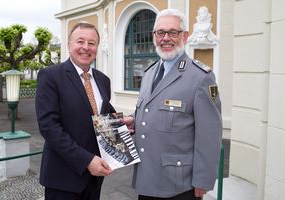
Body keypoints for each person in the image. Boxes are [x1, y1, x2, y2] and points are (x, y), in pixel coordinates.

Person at [124, 9, 222, 200]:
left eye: (173, 32)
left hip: (179, 185)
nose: (166, 38)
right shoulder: (150, 73)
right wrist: (133, 120)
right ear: (154, 36)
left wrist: (203, 180)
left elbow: (210, 135)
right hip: (147, 177)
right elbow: (150, 108)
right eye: (160, 33)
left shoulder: (201, 77)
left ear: (184, 36)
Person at [35, 22, 115, 200]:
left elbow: (103, 114)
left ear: (97, 47)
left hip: (95, 177)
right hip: (63, 177)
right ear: (69, 44)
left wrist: (123, 124)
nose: (86, 47)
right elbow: (49, 127)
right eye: (80, 41)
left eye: (92, 43)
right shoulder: (50, 76)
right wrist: (86, 160)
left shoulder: (103, 80)